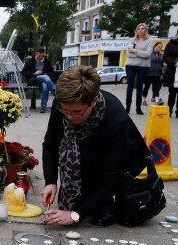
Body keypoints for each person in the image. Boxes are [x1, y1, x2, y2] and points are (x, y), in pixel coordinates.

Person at [41, 66, 150, 227]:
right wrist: (50, 181)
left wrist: (76, 214)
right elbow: (50, 143)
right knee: (84, 164)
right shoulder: (63, 102)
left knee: (99, 212)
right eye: (65, 111)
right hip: (89, 153)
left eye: (76, 112)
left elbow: (112, 177)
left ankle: (102, 203)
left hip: (121, 165)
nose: (69, 117)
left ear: (93, 102)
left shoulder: (115, 117)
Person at [125, 23, 153, 115]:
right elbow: (129, 53)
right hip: (131, 65)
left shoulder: (149, 41)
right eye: (138, 29)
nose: (140, 30)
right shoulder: (131, 40)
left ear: (145, 30)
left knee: (140, 87)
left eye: (142, 29)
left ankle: (138, 108)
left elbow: (148, 54)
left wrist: (135, 51)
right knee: (130, 86)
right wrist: (142, 53)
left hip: (143, 66)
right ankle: (128, 107)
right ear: (136, 30)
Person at [22, 48, 56, 113]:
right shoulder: (30, 61)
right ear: (36, 53)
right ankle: (55, 93)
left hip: (44, 81)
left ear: (44, 54)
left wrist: (46, 74)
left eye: (42, 56)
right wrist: (34, 73)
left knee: (45, 86)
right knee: (45, 77)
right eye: (39, 56)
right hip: (33, 80)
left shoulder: (47, 62)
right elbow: (24, 72)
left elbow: (52, 73)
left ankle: (43, 106)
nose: (40, 57)